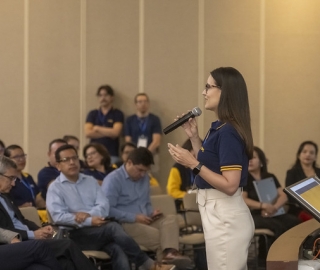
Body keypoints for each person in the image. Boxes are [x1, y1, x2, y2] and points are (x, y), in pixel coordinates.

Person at [167, 67, 255, 270]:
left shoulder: (228, 133)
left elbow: (230, 185)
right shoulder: (220, 128)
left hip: (226, 217)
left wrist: (192, 163)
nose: (204, 92)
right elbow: (210, 166)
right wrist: (194, 138)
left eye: (208, 87)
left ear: (225, 92)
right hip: (218, 214)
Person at [46, 144, 173, 270]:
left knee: (118, 250)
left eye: (74, 158)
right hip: (74, 234)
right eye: (66, 160)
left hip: (98, 231)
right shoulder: (55, 188)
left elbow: (104, 205)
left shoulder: (90, 181)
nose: (72, 162)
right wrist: (89, 220)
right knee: (113, 227)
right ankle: (148, 264)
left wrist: (88, 214)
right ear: (58, 165)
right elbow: (58, 217)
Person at [0, 155, 99, 270]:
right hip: (13, 244)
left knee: (65, 261)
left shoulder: (6, 196)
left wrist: (39, 230)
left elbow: (22, 220)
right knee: (64, 245)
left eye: (15, 179)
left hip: (27, 241)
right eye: (11, 178)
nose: (13, 183)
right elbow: (4, 229)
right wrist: (33, 235)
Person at [102, 147, 191, 269]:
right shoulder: (113, 180)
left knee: (170, 219)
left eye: (146, 171)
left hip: (146, 219)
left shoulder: (144, 178)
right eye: (140, 170)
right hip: (124, 223)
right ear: (129, 163)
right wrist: (134, 217)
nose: (143, 174)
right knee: (163, 240)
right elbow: (107, 210)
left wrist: (151, 212)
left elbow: (146, 202)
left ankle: (170, 254)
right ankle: (169, 256)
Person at [242, 146, 300, 264]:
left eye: (253, 158)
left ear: (261, 161)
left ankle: (292, 256)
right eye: (247, 158)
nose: (250, 161)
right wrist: (263, 206)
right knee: (277, 226)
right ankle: (271, 260)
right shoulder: (245, 178)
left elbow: (283, 195)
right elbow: (243, 199)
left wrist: (274, 207)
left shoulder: (269, 176)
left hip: (273, 211)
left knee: (294, 221)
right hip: (254, 214)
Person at [84, 85, 124, 164]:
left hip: (111, 154)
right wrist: (108, 132)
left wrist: (97, 128)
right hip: (93, 154)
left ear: (112, 97)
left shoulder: (117, 113)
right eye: (100, 95)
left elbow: (116, 133)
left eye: (106, 95)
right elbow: (88, 133)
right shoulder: (93, 114)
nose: (103, 98)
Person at [124, 93, 162, 175]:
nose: (143, 104)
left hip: (151, 154)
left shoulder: (154, 119)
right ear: (135, 104)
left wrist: (145, 154)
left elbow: (156, 141)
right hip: (134, 155)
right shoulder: (130, 120)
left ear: (148, 104)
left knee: (152, 178)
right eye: (140, 102)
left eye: (145, 101)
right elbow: (128, 141)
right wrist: (137, 154)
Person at [285, 141, 320, 221]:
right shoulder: (292, 173)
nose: (308, 154)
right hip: (299, 209)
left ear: (315, 157)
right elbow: (290, 196)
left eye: (311, 153)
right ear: (299, 155)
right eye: (304, 152)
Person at [166, 139, 196, 210]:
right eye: (194, 155)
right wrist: (188, 196)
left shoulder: (199, 167)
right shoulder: (177, 169)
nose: (196, 158)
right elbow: (171, 191)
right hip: (183, 205)